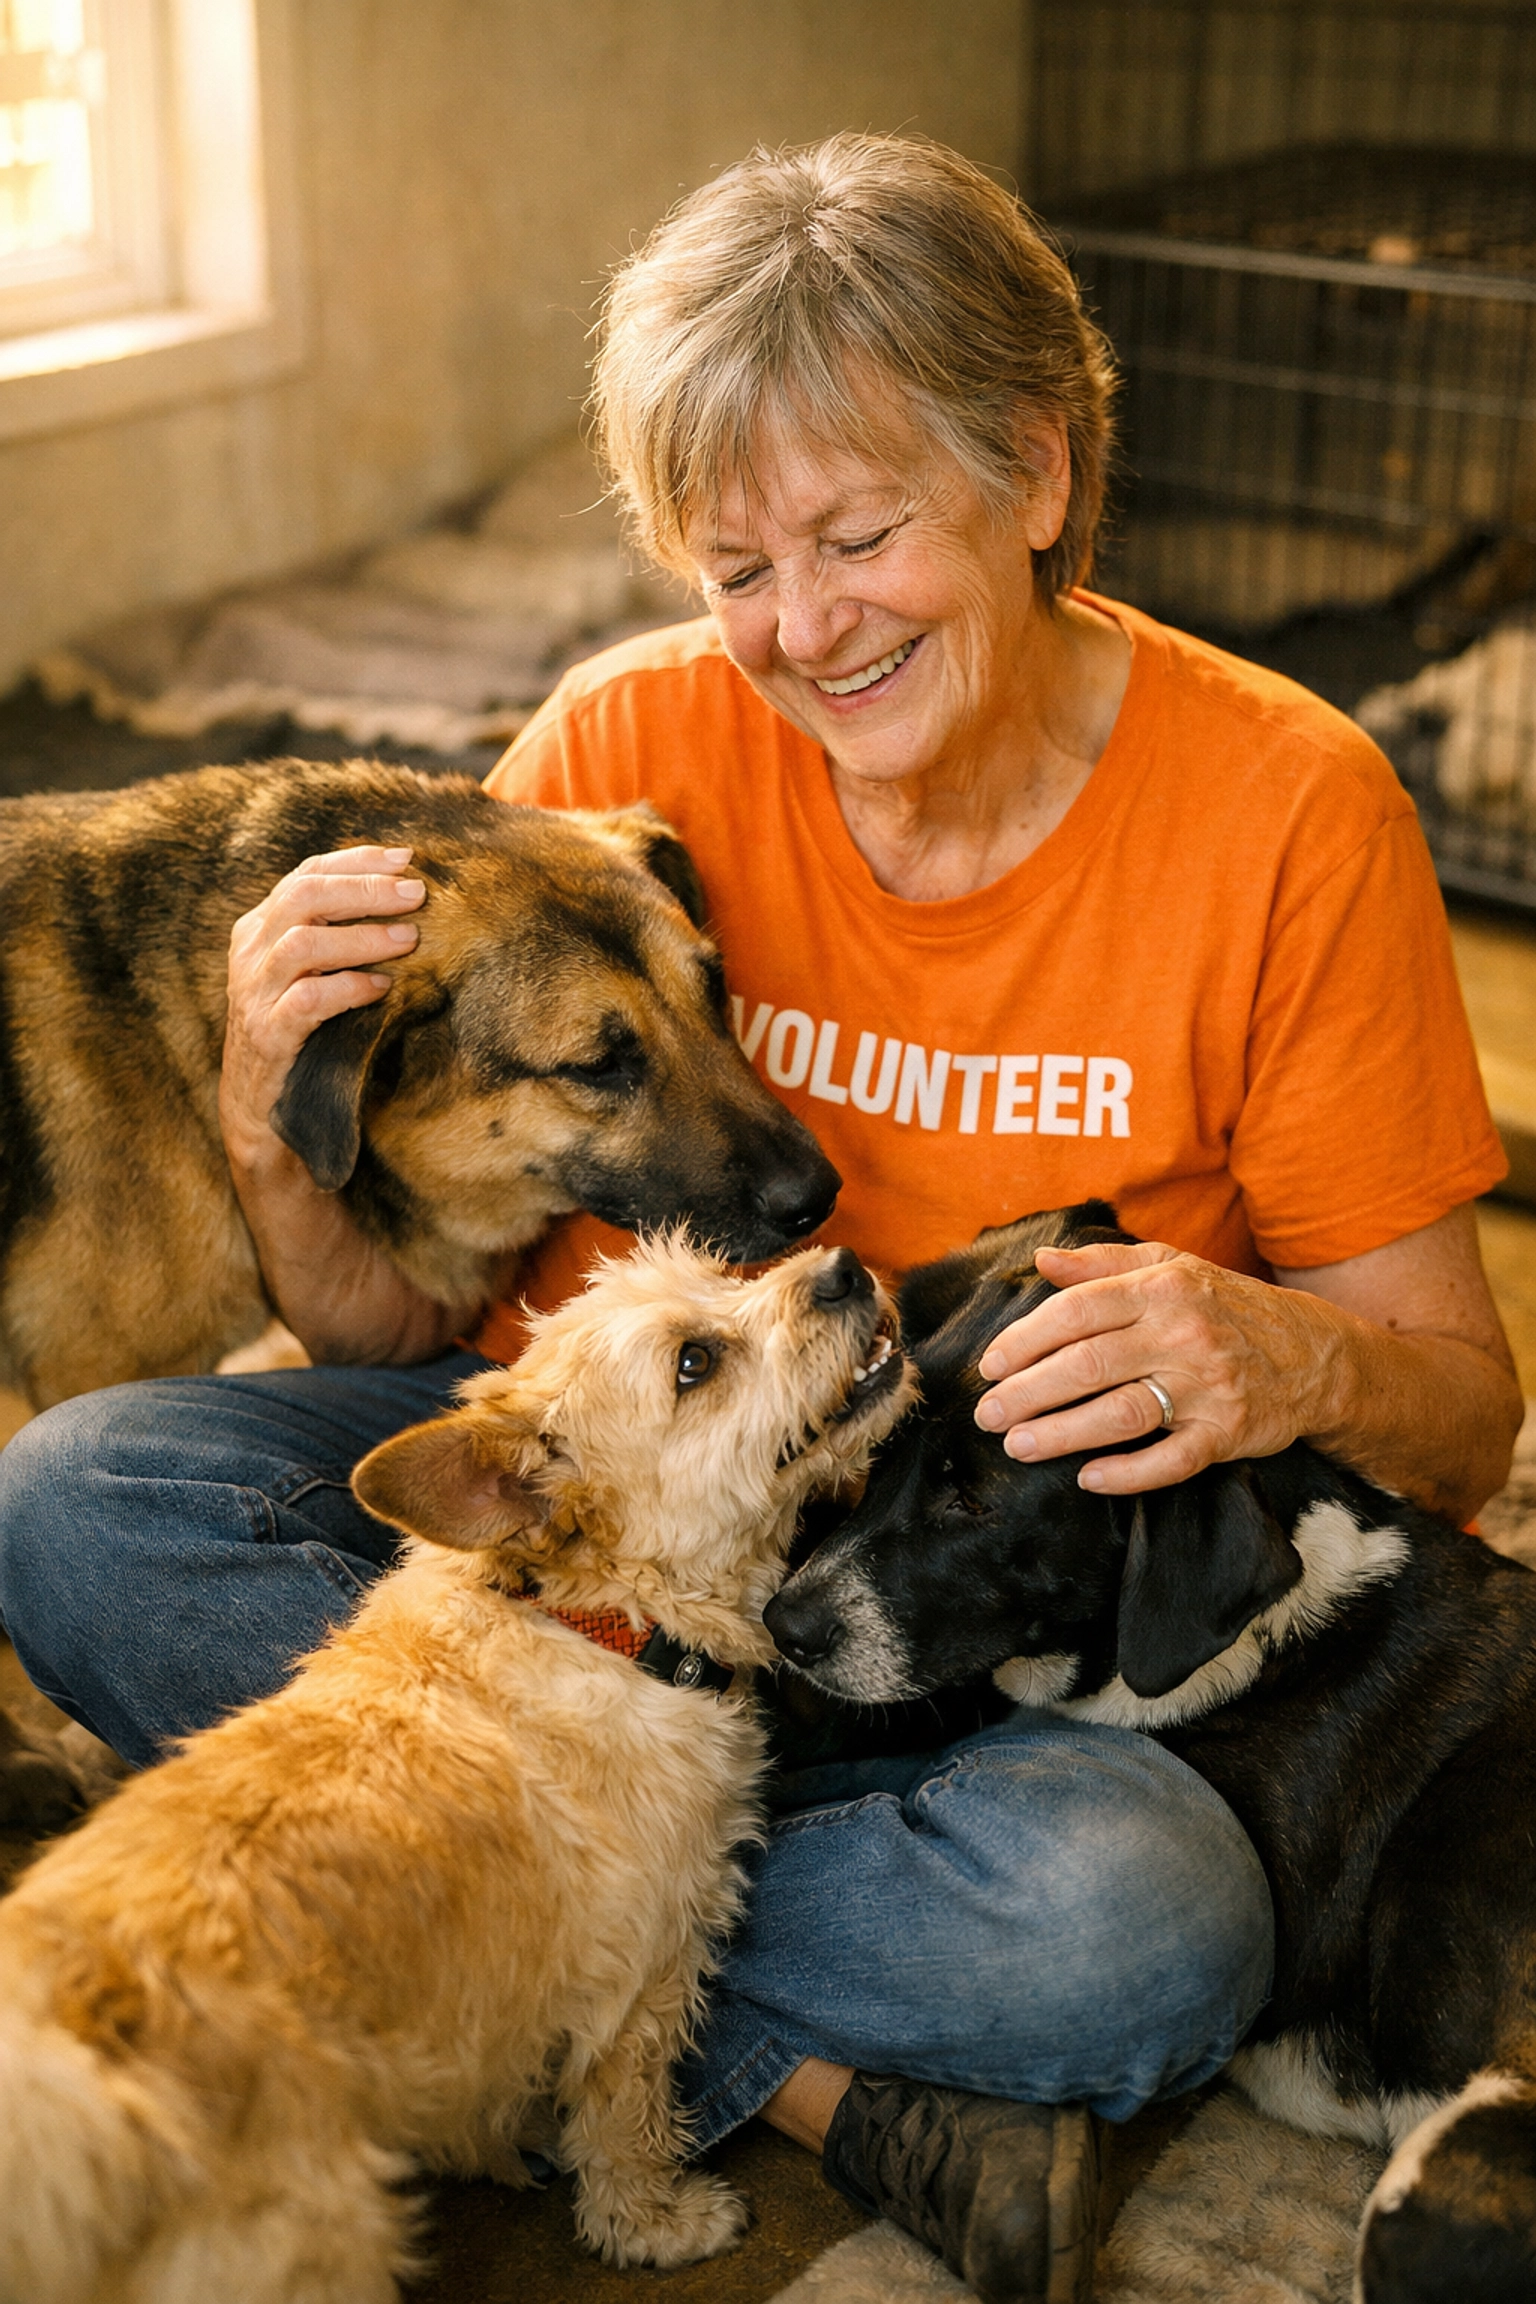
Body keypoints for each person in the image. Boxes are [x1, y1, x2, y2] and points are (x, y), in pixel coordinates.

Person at [0, 135, 1519, 2304]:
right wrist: (269, 1123)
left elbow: (1464, 1433)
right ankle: (809, 2079)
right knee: (75, 1495)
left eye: (860, 535)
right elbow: (373, 1347)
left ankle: (508, 1974)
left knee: (1147, 1928)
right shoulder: (620, 738)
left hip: (967, 1622)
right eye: (734, 567)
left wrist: (1288, 1354)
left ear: (1036, 472)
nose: (798, 634)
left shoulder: (1293, 812)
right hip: (592, 1558)